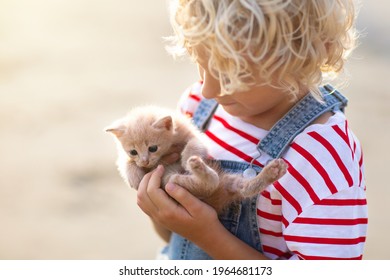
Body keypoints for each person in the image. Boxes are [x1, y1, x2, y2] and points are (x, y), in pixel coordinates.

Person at [137, 0, 367, 260]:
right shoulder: (197, 107)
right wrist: (159, 210)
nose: (209, 90)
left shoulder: (321, 157)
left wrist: (208, 236)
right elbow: (175, 238)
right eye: (201, 64)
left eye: (232, 73)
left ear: (303, 54)